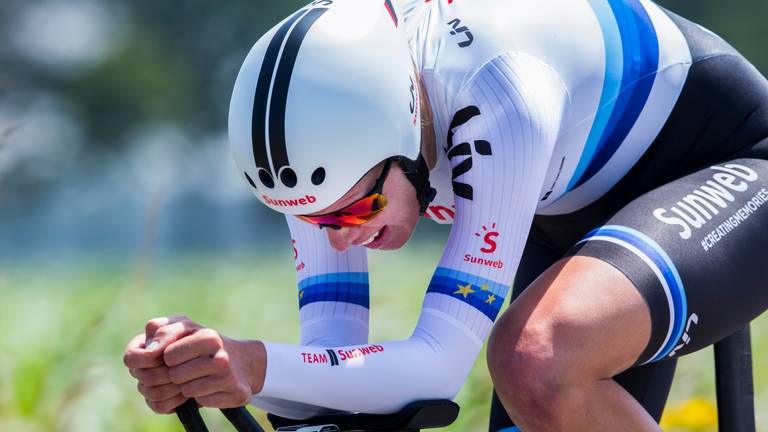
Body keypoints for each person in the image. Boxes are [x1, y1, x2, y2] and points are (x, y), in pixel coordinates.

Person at [123, 0, 768, 430]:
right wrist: (208, 371)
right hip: (581, 203)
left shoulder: (501, 95)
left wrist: (255, 364)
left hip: (732, 163)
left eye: (363, 208)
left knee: (535, 360)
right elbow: (334, 364)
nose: (345, 237)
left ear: (405, 132)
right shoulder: (316, 151)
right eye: (317, 222)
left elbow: (437, 366)